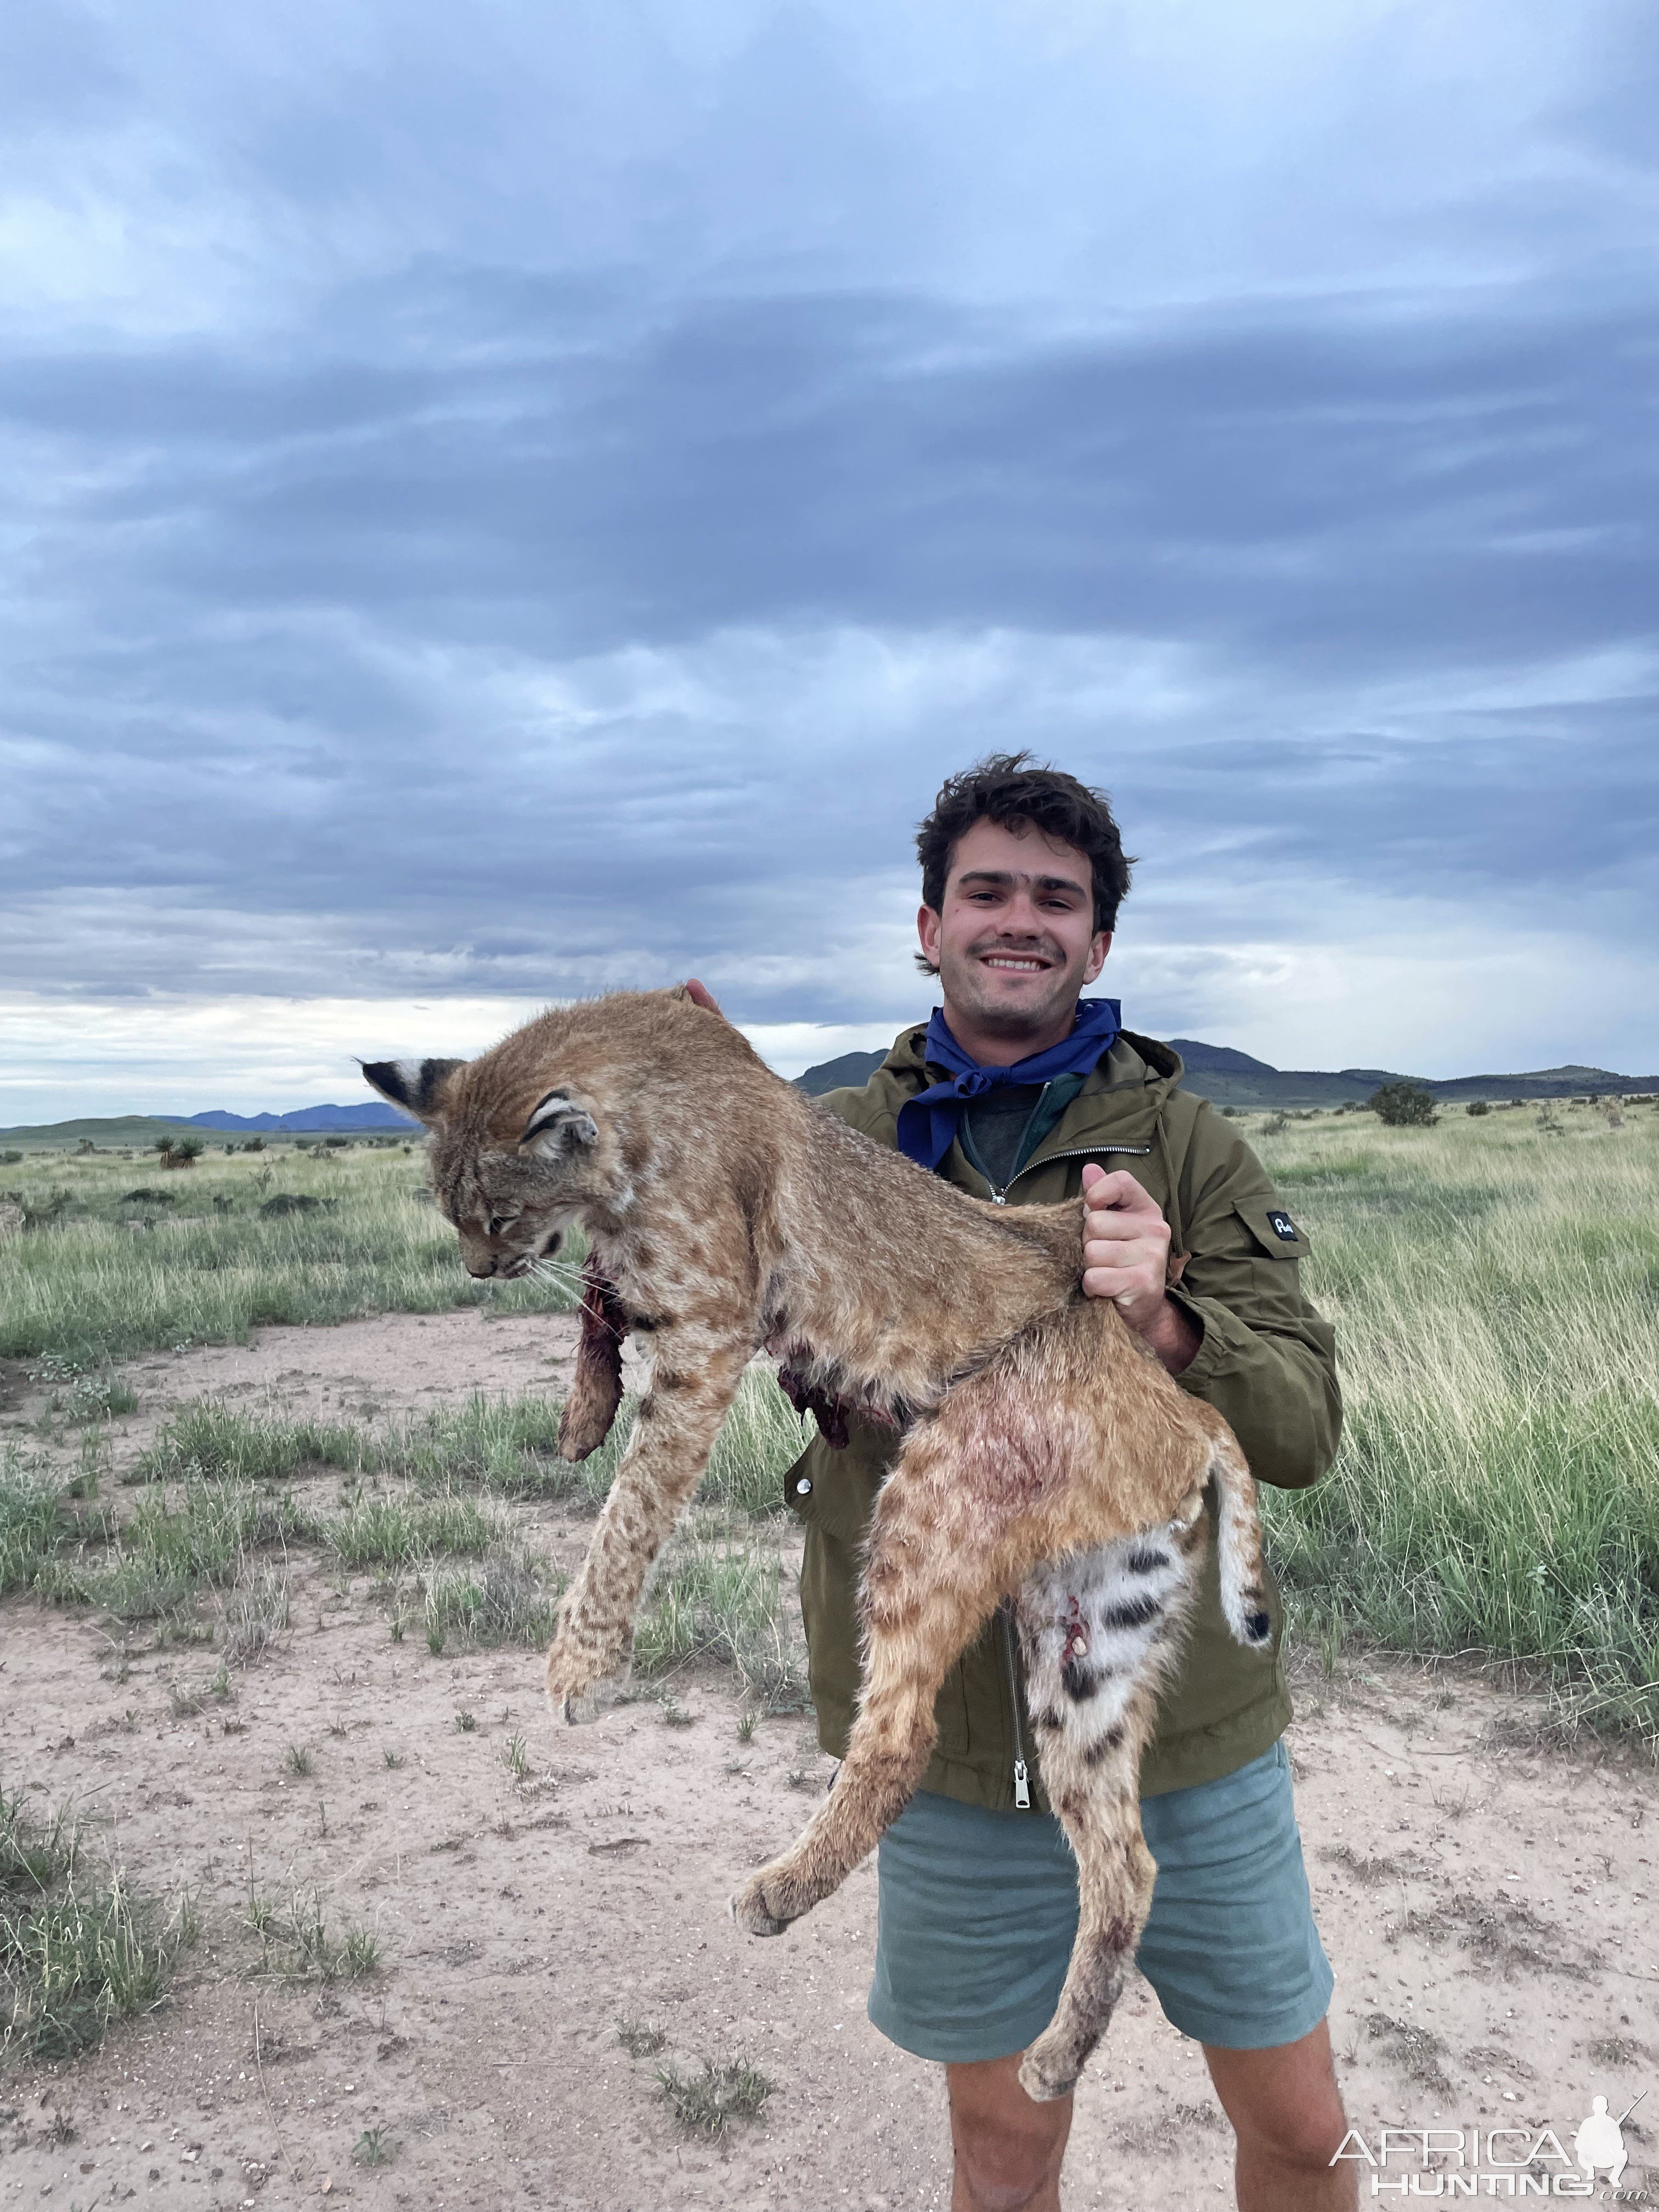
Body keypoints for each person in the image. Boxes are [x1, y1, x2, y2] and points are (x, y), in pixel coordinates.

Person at [785, 754, 1355, 2211]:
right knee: (1002, 2146)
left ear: (1098, 943)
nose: (1019, 920)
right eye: (987, 891)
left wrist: (1168, 1322)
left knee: (1299, 2128)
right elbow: (724, 1317)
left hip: (1186, 1738)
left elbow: (1298, 1429)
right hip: (958, 1748)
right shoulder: (835, 1143)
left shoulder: (1188, 1146)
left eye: (1058, 898)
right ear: (929, 927)